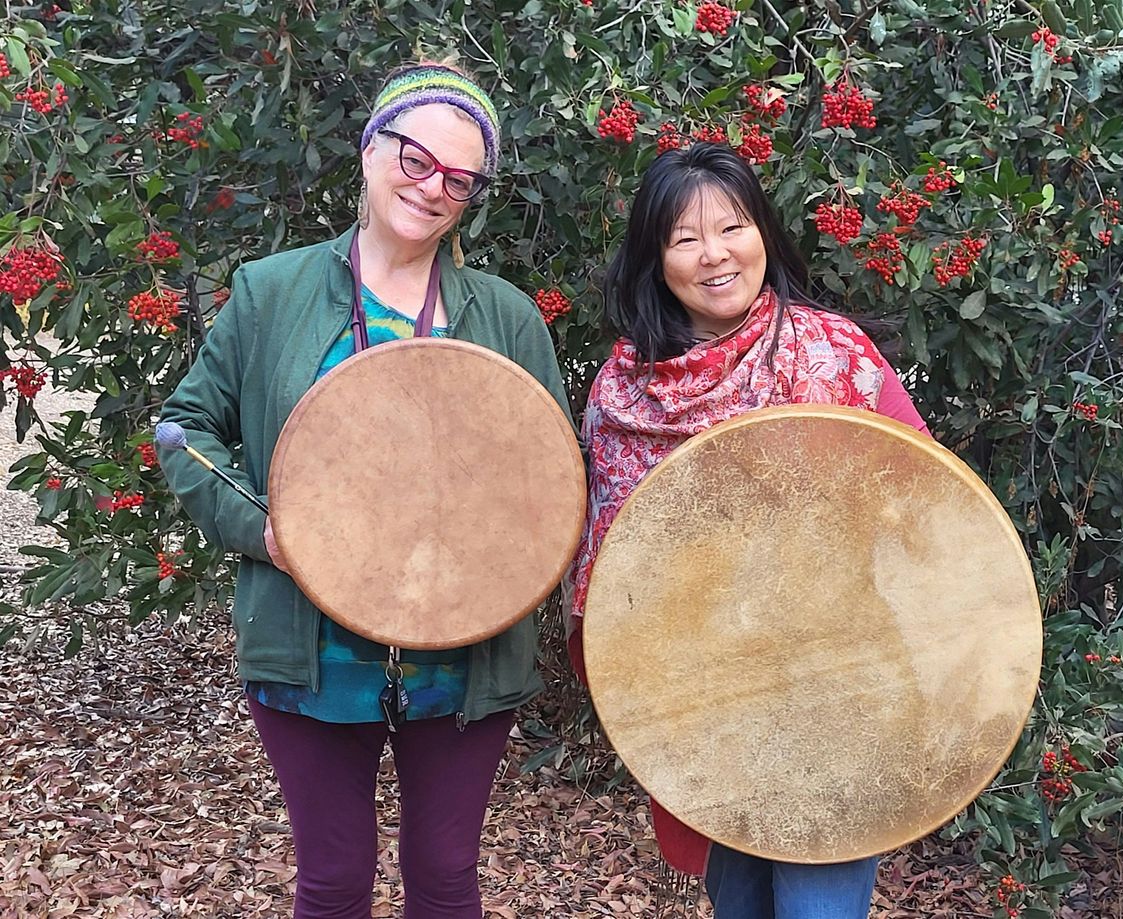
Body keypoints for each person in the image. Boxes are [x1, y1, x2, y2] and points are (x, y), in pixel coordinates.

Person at [159, 62, 572, 919]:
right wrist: (265, 531)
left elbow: (550, 480)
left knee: (448, 879)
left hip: (465, 655)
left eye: (460, 178)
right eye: (415, 159)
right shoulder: (270, 293)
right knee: (335, 882)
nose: (432, 188)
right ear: (370, 149)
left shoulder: (505, 317)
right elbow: (183, 430)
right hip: (313, 654)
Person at [565, 142, 931, 919]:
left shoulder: (836, 357)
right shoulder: (624, 393)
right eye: (685, 237)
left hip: (840, 688)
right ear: (655, 258)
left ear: (763, 230)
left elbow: (930, 511)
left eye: (732, 226)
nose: (715, 254)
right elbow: (616, 577)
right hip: (711, 707)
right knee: (739, 906)